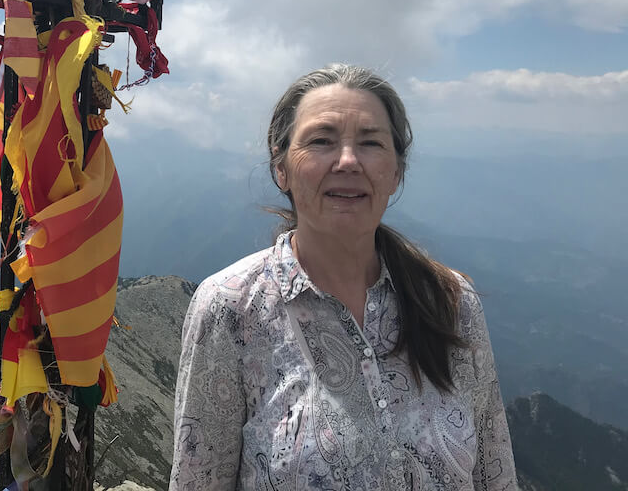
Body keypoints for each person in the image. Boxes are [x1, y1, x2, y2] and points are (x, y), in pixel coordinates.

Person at [169, 64, 517, 490]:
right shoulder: (229, 308)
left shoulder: (451, 302)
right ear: (282, 170)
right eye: (321, 141)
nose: (349, 161)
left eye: (371, 142)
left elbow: (494, 474)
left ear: (396, 173)